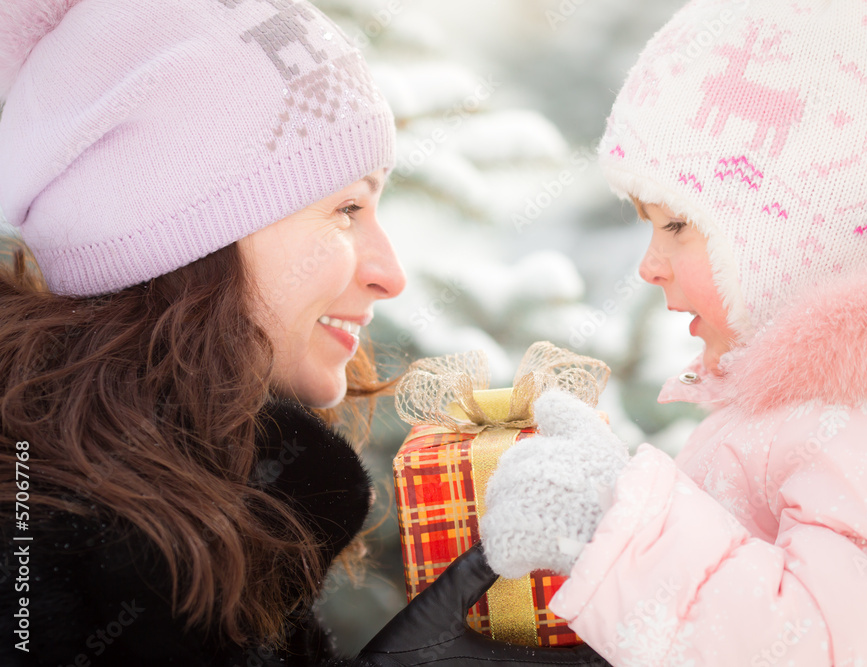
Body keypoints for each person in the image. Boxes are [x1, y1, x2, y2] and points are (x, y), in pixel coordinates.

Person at [0, 1, 609, 665]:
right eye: (346, 208)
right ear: (187, 236)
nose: (390, 274)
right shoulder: (38, 559)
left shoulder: (196, 518)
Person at [479, 0, 867, 664]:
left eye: (676, 225)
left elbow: (814, 647)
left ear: (808, 238)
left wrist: (614, 521)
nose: (649, 264)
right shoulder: (834, 404)